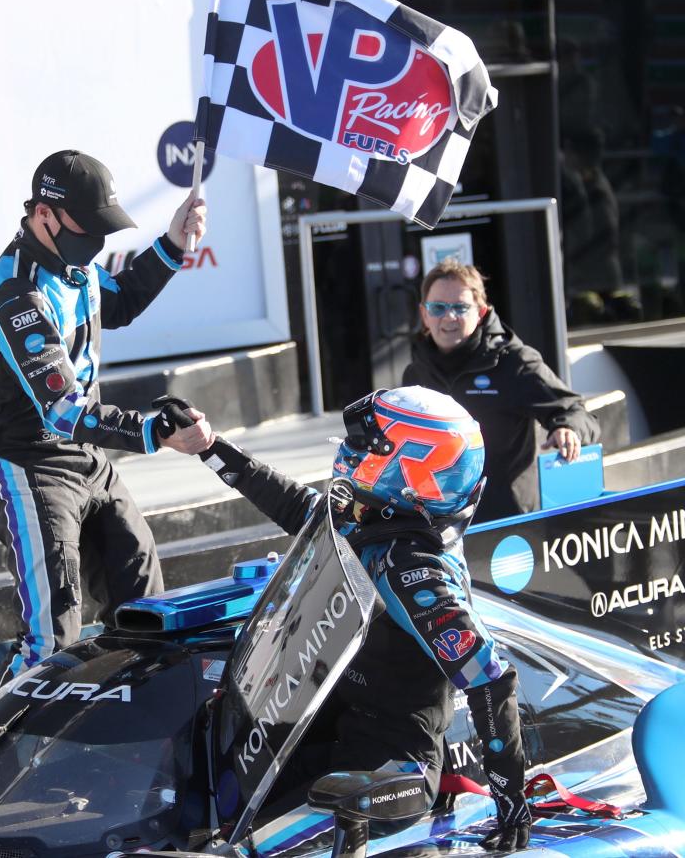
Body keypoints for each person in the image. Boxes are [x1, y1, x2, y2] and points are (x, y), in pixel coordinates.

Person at [194, 386, 532, 850]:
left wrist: (511, 803)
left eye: (367, 447)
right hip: (337, 726)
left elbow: (490, 681)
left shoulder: (414, 572)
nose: (350, 452)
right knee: (210, 791)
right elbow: (297, 506)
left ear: (411, 468)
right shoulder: (371, 520)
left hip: (393, 767)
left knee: (245, 845)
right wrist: (209, 447)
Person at [0, 149, 212, 684]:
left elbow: (122, 299)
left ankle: (139, 739)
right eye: (87, 229)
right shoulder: (18, 295)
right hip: (32, 470)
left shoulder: (74, 268)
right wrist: (154, 432)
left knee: (145, 608)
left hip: (91, 461)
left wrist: (175, 244)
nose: (95, 244)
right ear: (44, 215)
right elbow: (60, 411)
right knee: (49, 640)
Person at [403, 260, 600, 522]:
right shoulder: (416, 373)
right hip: (442, 524)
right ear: (424, 314)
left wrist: (568, 429)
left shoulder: (513, 362)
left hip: (508, 524)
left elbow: (576, 411)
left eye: (460, 307)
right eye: (438, 308)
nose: (449, 317)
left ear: (481, 312)